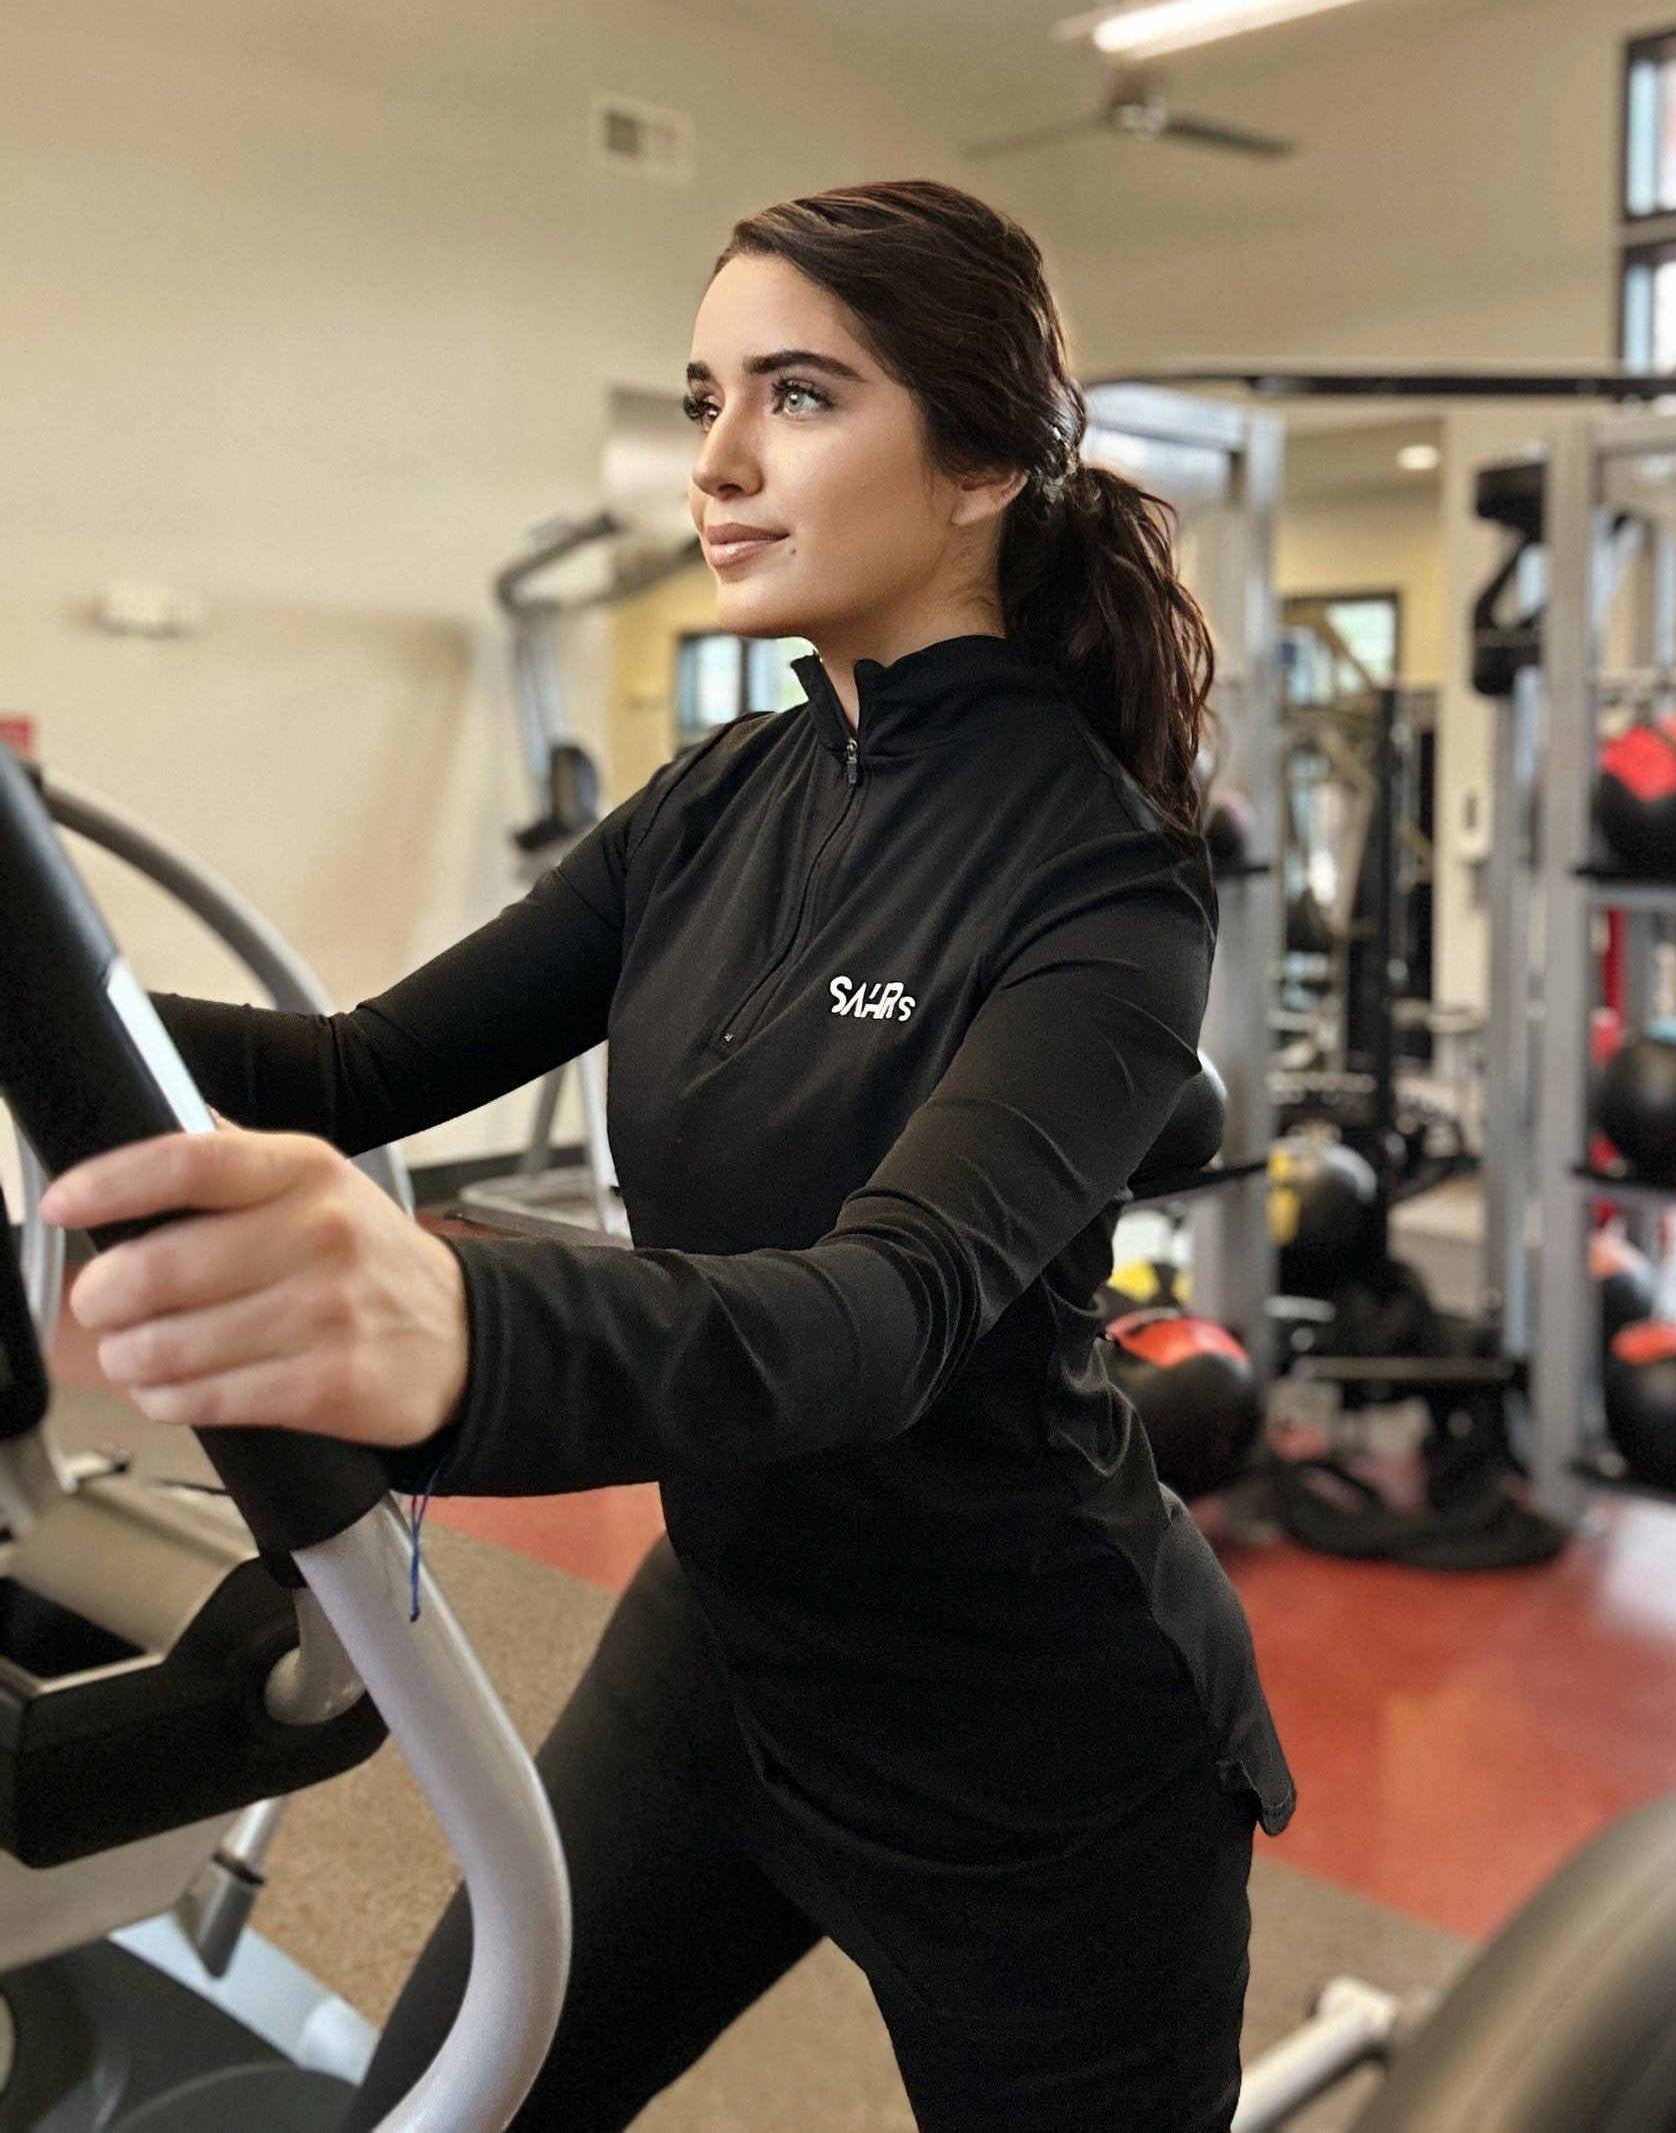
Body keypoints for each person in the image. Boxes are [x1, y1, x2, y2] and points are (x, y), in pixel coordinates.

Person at [42, 180, 1293, 2133]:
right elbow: (347, 1062)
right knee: (448, 2098)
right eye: (708, 392)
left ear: (977, 460)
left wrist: (465, 1313)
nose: (713, 458)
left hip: (1024, 1743)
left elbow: (883, 1312)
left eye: (796, 394)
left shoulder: (1105, 876)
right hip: (721, 1654)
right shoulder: (725, 789)